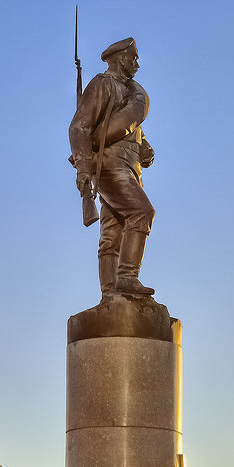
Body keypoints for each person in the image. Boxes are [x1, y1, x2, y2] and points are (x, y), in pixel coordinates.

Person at [69, 37, 157, 299]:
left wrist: (144, 149)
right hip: (108, 166)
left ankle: (110, 295)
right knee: (142, 212)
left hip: (129, 168)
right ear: (120, 58)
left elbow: (124, 129)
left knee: (112, 233)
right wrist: (83, 167)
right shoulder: (103, 84)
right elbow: (80, 127)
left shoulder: (130, 93)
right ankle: (128, 276)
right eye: (134, 57)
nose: (137, 64)